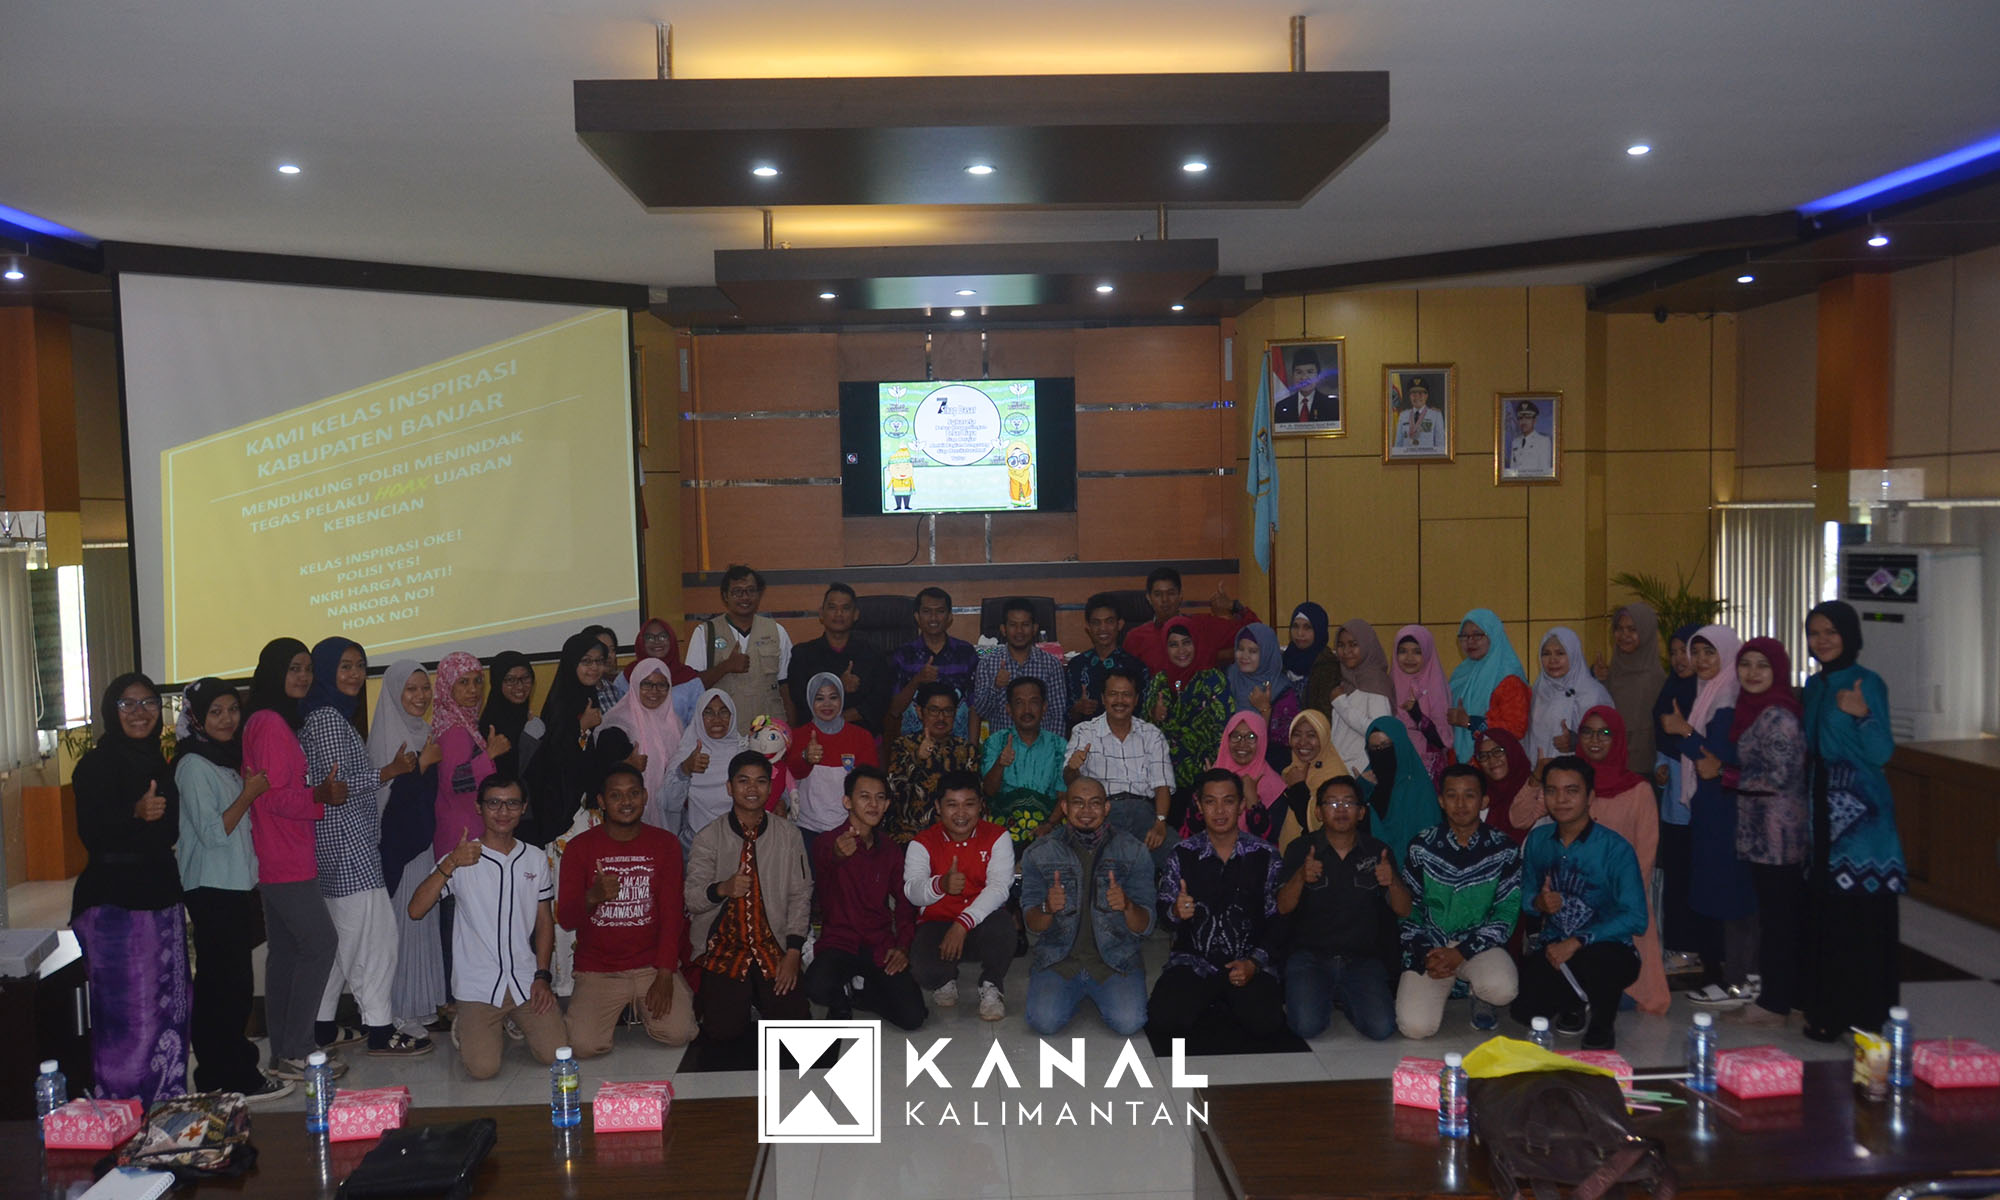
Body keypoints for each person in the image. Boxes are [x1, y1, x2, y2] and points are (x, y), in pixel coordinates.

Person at [301, 637, 427, 1056]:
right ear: (326, 671)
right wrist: (389, 771)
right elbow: (337, 787)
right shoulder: (328, 720)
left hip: (342, 846)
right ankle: (379, 1029)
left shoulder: (330, 715)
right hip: (348, 847)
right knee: (376, 941)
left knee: (343, 944)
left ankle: (322, 1026)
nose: (355, 674)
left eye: (359, 665)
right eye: (345, 666)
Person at [72, 672, 191, 1103]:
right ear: (111, 710)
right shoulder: (95, 766)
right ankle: (124, 1110)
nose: (140, 713)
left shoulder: (157, 763)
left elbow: (168, 831)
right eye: (128, 704)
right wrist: (134, 813)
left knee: (170, 1009)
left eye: (149, 703)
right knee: (130, 1018)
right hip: (115, 909)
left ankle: (166, 1105)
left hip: (161, 898)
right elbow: (92, 834)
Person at [407, 774, 567, 1080]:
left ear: (524, 808)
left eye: (512, 804)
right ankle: (468, 1023)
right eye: (494, 803)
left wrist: (542, 976)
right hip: (477, 985)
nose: (503, 812)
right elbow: (416, 910)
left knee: (555, 1053)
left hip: (524, 980)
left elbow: (544, 921)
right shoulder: (461, 857)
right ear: (479, 808)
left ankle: (513, 1019)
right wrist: (451, 863)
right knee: (483, 1069)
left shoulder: (534, 858)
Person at [175, 677, 290, 1101]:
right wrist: (249, 793)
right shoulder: (193, 765)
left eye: (232, 709)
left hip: (232, 884)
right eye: (215, 712)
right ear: (196, 718)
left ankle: (226, 1070)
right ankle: (227, 1074)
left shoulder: (223, 758)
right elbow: (212, 833)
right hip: (211, 886)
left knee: (230, 983)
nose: (226, 719)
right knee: (224, 986)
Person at [1799, 600, 1901, 1042]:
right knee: (1825, 915)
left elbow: (1882, 752)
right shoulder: (1813, 685)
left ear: (1849, 635)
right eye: (1814, 632)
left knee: (1860, 915)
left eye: (1831, 632)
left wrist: (1863, 716)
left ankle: (1868, 1015)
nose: (1822, 640)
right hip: (1820, 810)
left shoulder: (1867, 682)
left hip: (1862, 820)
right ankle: (1827, 1010)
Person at [241, 638, 343, 1081]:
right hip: (284, 856)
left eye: (307, 668)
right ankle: (299, 1048)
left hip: (280, 853)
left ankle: (283, 1053)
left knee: (285, 951)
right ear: (273, 672)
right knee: (320, 944)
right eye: (293, 668)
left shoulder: (268, 719)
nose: (303, 676)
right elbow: (274, 796)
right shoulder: (270, 724)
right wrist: (319, 795)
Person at [1531, 707, 1669, 1016]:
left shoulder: (1638, 790)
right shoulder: (1567, 783)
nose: (1595, 740)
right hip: (1571, 900)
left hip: (1622, 899)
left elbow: (1645, 854)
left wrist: (1612, 897)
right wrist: (1537, 777)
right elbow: (1519, 817)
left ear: (1618, 738)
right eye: (1588, 732)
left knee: (1621, 988)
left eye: (1605, 733)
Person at [556, 764, 696, 1057]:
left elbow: (672, 915)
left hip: (651, 966)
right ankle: (620, 1007)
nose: (626, 802)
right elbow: (566, 919)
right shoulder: (579, 848)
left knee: (679, 1033)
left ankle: (638, 1006)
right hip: (599, 969)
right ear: (602, 801)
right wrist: (593, 896)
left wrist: (666, 972)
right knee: (583, 1046)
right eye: (616, 795)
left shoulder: (665, 844)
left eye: (633, 793)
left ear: (645, 796)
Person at [1512, 757, 1646, 1051]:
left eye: (1571, 791)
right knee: (1524, 1013)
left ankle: (1602, 1024)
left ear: (1590, 796)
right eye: (1552, 791)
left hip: (1607, 949)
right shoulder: (1538, 841)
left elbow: (1637, 918)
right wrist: (1539, 903)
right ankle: (1574, 1002)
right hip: (1554, 947)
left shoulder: (1615, 848)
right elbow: (1526, 899)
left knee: (1601, 963)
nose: (1561, 800)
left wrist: (1576, 941)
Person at [1147, 770, 1286, 1042]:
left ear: (1241, 805)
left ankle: (1223, 1001)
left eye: (1228, 801)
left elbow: (1278, 920)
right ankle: (1214, 1000)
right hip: (1194, 962)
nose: (1220, 811)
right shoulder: (1182, 853)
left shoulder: (1265, 855)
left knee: (1268, 1025)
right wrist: (1175, 911)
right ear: (1199, 806)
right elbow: (1164, 913)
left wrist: (1254, 963)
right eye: (1210, 802)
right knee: (1163, 1022)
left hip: (1246, 961)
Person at [1660, 625, 1758, 1006]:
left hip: (1726, 809)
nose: (1700, 660)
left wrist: (1683, 731)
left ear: (1727, 654)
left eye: (1709, 652)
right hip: (1709, 806)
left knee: (1725, 891)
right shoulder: (1710, 693)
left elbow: (1713, 761)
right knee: (1711, 888)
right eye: (1695, 652)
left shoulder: (1729, 698)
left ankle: (1734, 978)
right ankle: (1723, 974)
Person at [684, 751, 813, 1041]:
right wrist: (722, 889)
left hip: (773, 947)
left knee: (797, 1033)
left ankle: (761, 998)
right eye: (743, 781)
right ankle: (746, 998)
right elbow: (692, 898)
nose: (752, 789)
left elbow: (801, 894)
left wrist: (793, 953)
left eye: (760, 781)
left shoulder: (788, 835)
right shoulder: (708, 837)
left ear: (770, 787)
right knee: (723, 1036)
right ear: (729, 787)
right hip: (725, 951)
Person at [1276, 776, 1409, 1040]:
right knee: (1306, 1027)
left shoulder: (1377, 851)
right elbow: (1282, 907)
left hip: (1362, 959)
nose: (1341, 809)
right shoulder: (1300, 849)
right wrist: (1301, 876)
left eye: (1349, 803)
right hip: (1311, 958)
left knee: (1381, 1028)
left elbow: (1404, 910)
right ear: (1318, 811)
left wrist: (1392, 881)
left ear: (1361, 812)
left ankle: (1343, 994)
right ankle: (1327, 992)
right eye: (1332, 803)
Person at [1020, 777, 1156, 1035]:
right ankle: (1073, 992)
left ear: (1106, 808)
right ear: (1064, 807)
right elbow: (1032, 925)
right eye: (1078, 803)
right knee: (1044, 1022)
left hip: (1116, 960)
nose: (1086, 811)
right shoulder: (1039, 853)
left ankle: (1095, 991)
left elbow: (1146, 925)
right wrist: (1047, 907)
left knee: (1129, 1022)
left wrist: (1128, 906)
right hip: (1059, 959)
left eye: (1094, 803)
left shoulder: (1134, 851)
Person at [1395, 765, 1521, 1038]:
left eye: (1469, 795)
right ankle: (1445, 981)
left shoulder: (1504, 849)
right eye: (1452, 795)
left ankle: (1479, 994)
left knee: (1502, 988)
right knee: (1415, 1028)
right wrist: (1425, 952)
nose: (1461, 804)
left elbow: (1506, 913)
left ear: (1484, 800)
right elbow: (1409, 909)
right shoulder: (1422, 846)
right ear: (1441, 801)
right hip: (1432, 949)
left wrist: (1462, 951)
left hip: (1479, 947)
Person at [1726, 638, 1807, 1029]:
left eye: (1762, 665)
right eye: (1746, 664)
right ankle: (1789, 998)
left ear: (1778, 670)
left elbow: (1781, 774)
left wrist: (1725, 774)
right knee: (1777, 917)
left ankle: (1775, 1004)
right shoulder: (1754, 709)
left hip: (1779, 837)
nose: (1753, 672)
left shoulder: (1779, 715)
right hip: (1762, 833)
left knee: (1778, 921)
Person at [806, 766, 925, 1029]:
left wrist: (902, 946)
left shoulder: (890, 849)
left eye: (880, 798)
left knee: (913, 1016)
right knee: (816, 986)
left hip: (878, 943)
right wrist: (837, 854)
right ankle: (842, 997)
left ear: (887, 805)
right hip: (839, 942)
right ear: (847, 802)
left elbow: (904, 901)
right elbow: (826, 859)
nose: (873, 804)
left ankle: (861, 993)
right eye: (864, 797)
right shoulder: (828, 841)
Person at [368, 660, 448, 1041]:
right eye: (411, 689)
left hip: (423, 845)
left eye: (424, 688)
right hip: (399, 849)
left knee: (420, 927)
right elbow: (388, 802)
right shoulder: (388, 735)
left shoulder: (425, 732)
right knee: (400, 928)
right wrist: (421, 767)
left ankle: (417, 1003)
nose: (420, 696)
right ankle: (397, 1010)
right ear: (394, 694)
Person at [903, 772, 1016, 1020]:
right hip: (938, 923)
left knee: (1004, 928)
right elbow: (912, 892)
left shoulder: (998, 836)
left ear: (981, 806)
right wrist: (940, 884)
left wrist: (962, 924)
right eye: (952, 805)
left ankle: (991, 984)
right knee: (926, 973)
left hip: (982, 922)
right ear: (938, 807)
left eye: (969, 804)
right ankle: (946, 977)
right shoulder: (921, 843)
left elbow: (999, 888)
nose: (961, 813)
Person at [1066, 668, 1175, 867]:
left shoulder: (1152, 734)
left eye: (1126, 695)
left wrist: (1160, 823)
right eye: (1113, 694)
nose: (1119, 701)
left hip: (1144, 814)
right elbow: (1070, 781)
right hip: (1102, 815)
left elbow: (1163, 785)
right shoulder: (1084, 731)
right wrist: (1073, 768)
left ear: (1136, 699)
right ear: (1103, 698)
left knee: (1180, 855)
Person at [524, 631, 610, 844]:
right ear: (572, 663)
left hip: (583, 799)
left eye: (599, 661)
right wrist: (581, 726)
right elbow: (553, 752)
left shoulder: (588, 695)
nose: (594, 667)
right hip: (559, 802)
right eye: (586, 661)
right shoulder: (562, 699)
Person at [783, 672, 880, 862]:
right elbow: (789, 777)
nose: (827, 704)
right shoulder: (798, 736)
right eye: (819, 698)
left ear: (842, 699)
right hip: (806, 828)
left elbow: (871, 785)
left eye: (833, 697)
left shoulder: (862, 737)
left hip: (849, 828)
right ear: (810, 701)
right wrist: (805, 757)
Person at [1652, 623, 1703, 974]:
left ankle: (1693, 947)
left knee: (1694, 875)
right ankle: (1679, 944)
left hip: (1701, 804)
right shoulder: (1670, 689)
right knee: (1677, 873)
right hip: (1673, 803)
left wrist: (1683, 731)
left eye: (1687, 651)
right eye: (1674, 652)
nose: (1680, 659)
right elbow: (1663, 739)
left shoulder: (1710, 694)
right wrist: (1660, 767)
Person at [686, 565, 793, 728]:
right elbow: (693, 687)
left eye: (751, 591)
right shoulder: (705, 633)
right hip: (723, 730)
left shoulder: (777, 631)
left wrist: (791, 730)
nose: (745, 597)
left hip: (769, 730)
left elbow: (786, 687)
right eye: (737, 592)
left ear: (759, 594)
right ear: (725, 596)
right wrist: (726, 666)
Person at [1139, 616, 1230, 796]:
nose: (1181, 650)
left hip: (1203, 777)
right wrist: (1153, 715)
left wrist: (1217, 771)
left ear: (1196, 643)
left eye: (1187, 643)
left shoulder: (1213, 680)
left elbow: (1224, 729)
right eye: (1173, 645)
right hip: (1162, 778)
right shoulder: (1159, 680)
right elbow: (1142, 729)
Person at [787, 583, 893, 735]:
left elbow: (880, 700)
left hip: (861, 733)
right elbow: (800, 698)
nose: (838, 614)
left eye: (845, 608)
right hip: (817, 734)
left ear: (856, 614)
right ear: (821, 613)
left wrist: (841, 719)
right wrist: (838, 686)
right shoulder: (802, 654)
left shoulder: (873, 654)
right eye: (832, 608)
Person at [601, 656, 687, 835]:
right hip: (627, 809)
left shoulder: (675, 723)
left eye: (662, 685)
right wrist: (627, 765)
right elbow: (602, 770)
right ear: (635, 684)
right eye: (647, 684)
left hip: (668, 809)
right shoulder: (619, 722)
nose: (654, 691)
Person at [980, 676, 1068, 851]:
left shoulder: (1059, 746)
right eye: (1019, 703)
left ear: (1044, 707)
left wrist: (1049, 825)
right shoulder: (995, 742)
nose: (1027, 710)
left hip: (1048, 830)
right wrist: (1000, 764)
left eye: (1034, 702)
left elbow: (1064, 796)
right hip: (1003, 830)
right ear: (1009, 709)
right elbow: (989, 791)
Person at [886, 683, 980, 842]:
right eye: (934, 710)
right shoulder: (903, 746)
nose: (941, 718)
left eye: (948, 711)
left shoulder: (967, 750)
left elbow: (976, 798)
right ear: (920, 712)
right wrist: (917, 758)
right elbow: (892, 791)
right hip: (912, 834)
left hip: (956, 833)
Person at [1122, 566, 1258, 675]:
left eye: (1171, 593)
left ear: (1180, 596)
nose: (1165, 600)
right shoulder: (1136, 638)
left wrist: (1233, 606)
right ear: (1149, 598)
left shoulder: (1203, 626)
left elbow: (1258, 634)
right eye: (1158, 594)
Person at [887, 587, 979, 738]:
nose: (934, 618)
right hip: (914, 745)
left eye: (940, 611)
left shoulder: (966, 652)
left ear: (949, 617)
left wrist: (973, 748)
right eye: (927, 611)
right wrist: (916, 680)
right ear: (917, 617)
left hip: (958, 744)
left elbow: (975, 707)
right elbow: (895, 710)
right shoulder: (903, 655)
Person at [971, 597, 1069, 736]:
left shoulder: (1051, 665)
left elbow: (1058, 715)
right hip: (1002, 745)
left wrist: (1052, 748)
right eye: (1013, 625)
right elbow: (981, 712)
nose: (1019, 631)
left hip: (1042, 746)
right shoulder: (987, 664)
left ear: (1034, 628)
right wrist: (995, 687)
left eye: (1025, 625)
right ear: (1003, 629)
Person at [665, 688, 749, 842]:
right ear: (698, 717)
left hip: (741, 838)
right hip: (696, 840)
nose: (717, 719)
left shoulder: (744, 752)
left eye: (723, 712)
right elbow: (667, 802)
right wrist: (685, 770)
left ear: (732, 716)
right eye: (708, 712)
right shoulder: (687, 754)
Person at [1447, 608, 1531, 763]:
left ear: (1493, 635)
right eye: (1464, 636)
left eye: (1477, 635)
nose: (1470, 641)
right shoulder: (1460, 675)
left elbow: (1516, 728)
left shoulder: (1508, 677)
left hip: (1497, 765)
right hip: (1462, 765)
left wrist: (1470, 722)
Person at [1593, 603, 1666, 777]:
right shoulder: (1614, 671)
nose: (1624, 635)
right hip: (1609, 762)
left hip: (1641, 768)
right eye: (1619, 628)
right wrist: (1600, 680)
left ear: (1646, 632)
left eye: (1632, 629)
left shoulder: (1656, 678)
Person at [1527, 626, 1614, 765]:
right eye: (1546, 654)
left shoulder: (1594, 693)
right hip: (1541, 772)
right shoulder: (1539, 691)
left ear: (1574, 654)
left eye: (1560, 653)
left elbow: (1610, 737)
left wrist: (1578, 741)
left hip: (1582, 772)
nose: (1552, 660)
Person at [1360, 715, 1436, 874]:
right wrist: (1360, 789)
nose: (1380, 753)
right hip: (1369, 873)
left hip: (1411, 875)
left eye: (1385, 745)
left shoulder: (1418, 788)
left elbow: (1428, 843)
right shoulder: (1367, 781)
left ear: (1400, 745)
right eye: (1374, 748)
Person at [1065, 592, 1150, 734]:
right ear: (1088, 627)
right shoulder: (1076, 666)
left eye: (1109, 621)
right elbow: (1068, 718)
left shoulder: (1136, 667)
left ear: (1120, 624)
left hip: (1127, 740)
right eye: (1096, 623)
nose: (1103, 628)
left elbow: (1144, 716)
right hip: (1086, 741)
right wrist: (1078, 709)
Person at [1269, 603, 1341, 757]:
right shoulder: (1282, 661)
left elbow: (1326, 715)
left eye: (1307, 627)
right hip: (1281, 745)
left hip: (1313, 746)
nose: (1300, 633)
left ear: (1319, 630)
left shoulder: (1328, 665)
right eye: (1295, 626)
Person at [1213, 712, 1293, 846]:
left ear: (1261, 741)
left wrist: (1252, 801)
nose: (1242, 744)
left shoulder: (1273, 786)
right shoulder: (1213, 777)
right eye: (1236, 736)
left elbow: (1269, 840)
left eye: (1251, 737)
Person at [1328, 619, 1395, 775]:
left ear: (1366, 645)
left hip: (1364, 771)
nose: (1346, 651)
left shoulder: (1376, 682)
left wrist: (1341, 704)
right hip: (1342, 769)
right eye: (1341, 645)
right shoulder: (1347, 682)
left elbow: (1379, 732)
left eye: (1353, 644)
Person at [1390, 626, 1453, 782]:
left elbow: (1443, 741)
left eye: (1417, 652)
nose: (1409, 657)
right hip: (1395, 766)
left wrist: (1417, 715)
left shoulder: (1436, 687)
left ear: (1427, 653)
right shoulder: (1388, 685)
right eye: (1403, 651)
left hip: (1427, 770)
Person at [627, 618, 706, 727]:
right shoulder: (628, 675)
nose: (657, 641)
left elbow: (699, 724)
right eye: (649, 638)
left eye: (663, 636)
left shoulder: (689, 679)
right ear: (641, 642)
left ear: (672, 640)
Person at [1278, 710, 1340, 838]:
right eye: (1297, 735)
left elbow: (1322, 825)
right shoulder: (1291, 771)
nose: (1302, 742)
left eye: (1311, 735)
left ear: (1323, 737)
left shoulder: (1336, 776)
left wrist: (1297, 787)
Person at [478, 652, 536, 779]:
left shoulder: (530, 721)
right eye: (510, 680)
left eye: (525, 678)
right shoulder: (490, 728)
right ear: (497, 682)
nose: (520, 686)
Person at [1480, 729, 1539, 845]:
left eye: (1498, 751)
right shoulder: (1482, 795)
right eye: (1483, 756)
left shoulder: (1535, 788)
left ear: (1512, 751)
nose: (1491, 760)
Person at [1223, 622, 1287, 721]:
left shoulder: (1282, 690)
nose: (1244, 656)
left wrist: (1264, 708)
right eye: (1240, 649)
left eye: (1253, 651)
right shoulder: (1227, 678)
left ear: (1267, 654)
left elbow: (1283, 729)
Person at [1274, 347, 1337, 425]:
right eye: (1299, 372)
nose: (1304, 377)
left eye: (1310, 372)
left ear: (1318, 375)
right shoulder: (1281, 406)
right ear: (1293, 375)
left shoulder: (1332, 405)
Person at [1391, 375, 1447, 455]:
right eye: (1413, 393)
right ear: (1410, 396)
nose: (1417, 397)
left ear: (1426, 396)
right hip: (1407, 460)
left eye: (1420, 393)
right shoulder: (1403, 415)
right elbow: (1398, 445)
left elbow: (1440, 446)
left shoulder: (1436, 415)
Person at [1500, 399, 1552, 477]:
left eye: (1527, 418)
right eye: (1520, 418)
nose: (1523, 422)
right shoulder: (1515, 442)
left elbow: (1545, 472)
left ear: (1534, 420)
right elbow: (1513, 470)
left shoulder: (1543, 441)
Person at [589, 625, 628, 709]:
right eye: (603, 650)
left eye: (612, 650)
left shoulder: (614, 690)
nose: (609, 655)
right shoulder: (578, 691)